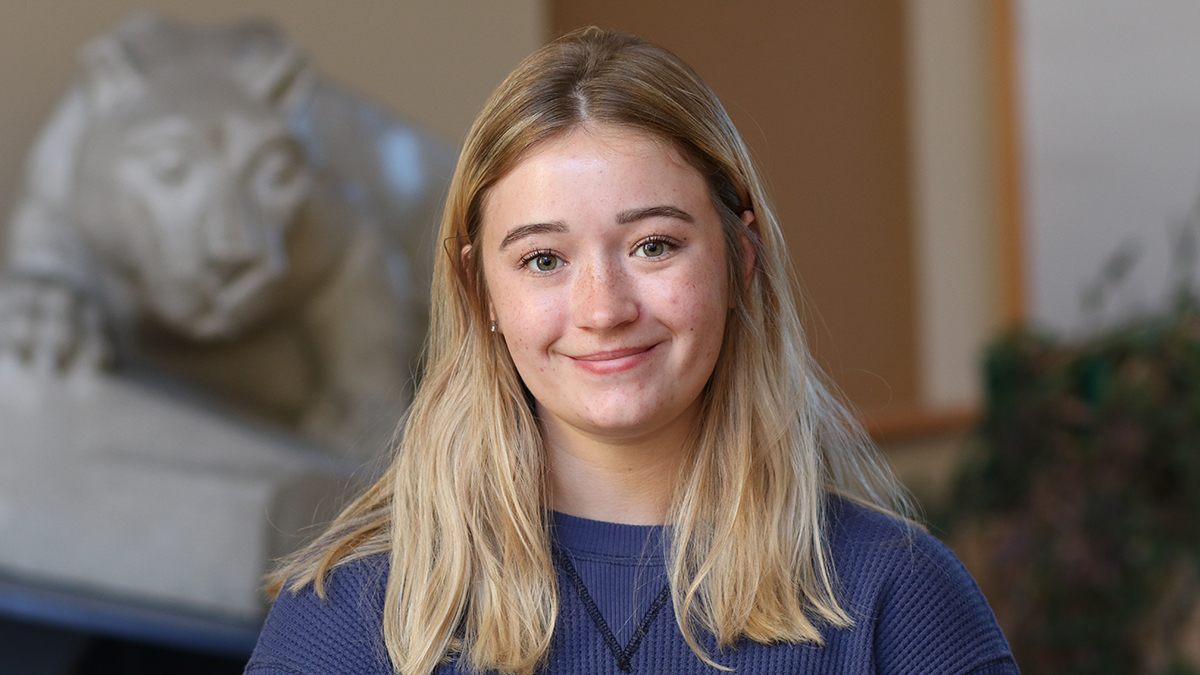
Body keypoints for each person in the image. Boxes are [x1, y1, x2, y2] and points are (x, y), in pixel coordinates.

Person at [244, 28, 1018, 675]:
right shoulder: (346, 620)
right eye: (544, 259)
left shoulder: (898, 600)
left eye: (653, 245)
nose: (604, 309)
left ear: (739, 260)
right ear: (480, 291)